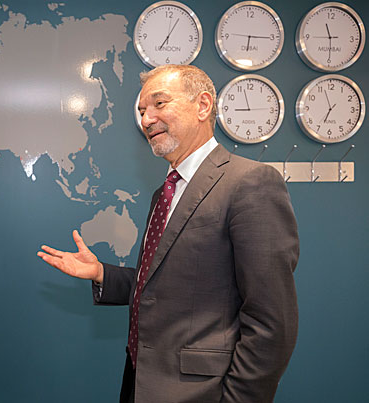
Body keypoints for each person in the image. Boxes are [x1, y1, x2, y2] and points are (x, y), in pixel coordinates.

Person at [38, 65, 299, 403]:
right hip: (140, 383)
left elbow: (272, 321)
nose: (147, 120)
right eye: (143, 111)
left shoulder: (250, 183)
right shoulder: (164, 192)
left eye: (159, 104)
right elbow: (168, 283)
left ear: (203, 106)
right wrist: (102, 273)